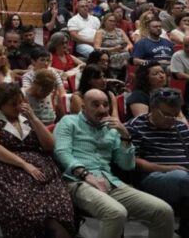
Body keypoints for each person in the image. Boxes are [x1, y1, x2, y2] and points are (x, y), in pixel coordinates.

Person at [54, 88, 175, 238]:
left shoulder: (112, 129)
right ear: (84, 107)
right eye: (96, 105)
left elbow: (127, 165)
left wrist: (125, 136)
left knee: (163, 211)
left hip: (110, 182)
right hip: (77, 181)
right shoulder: (68, 121)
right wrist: (85, 174)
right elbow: (61, 152)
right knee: (116, 213)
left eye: (105, 105)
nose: (102, 109)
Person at [0, 83, 74, 238]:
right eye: (12, 104)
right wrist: (24, 164)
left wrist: (33, 118)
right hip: (5, 169)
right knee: (24, 210)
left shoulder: (27, 119)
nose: (18, 107)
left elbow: (49, 146)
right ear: (0, 105)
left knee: (58, 208)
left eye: (20, 102)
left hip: (41, 169)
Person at [125, 88, 189, 236]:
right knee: (180, 177)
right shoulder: (136, 126)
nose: (171, 119)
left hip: (183, 176)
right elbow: (131, 160)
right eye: (166, 114)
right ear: (153, 108)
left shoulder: (180, 127)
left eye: (175, 115)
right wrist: (167, 169)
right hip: (152, 177)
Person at [93, 13, 133, 80]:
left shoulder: (120, 31)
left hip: (123, 53)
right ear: (105, 21)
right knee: (127, 57)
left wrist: (125, 49)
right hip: (108, 55)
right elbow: (96, 48)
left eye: (114, 21)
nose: (112, 23)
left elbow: (130, 44)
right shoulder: (100, 32)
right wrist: (113, 49)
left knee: (129, 55)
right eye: (110, 21)